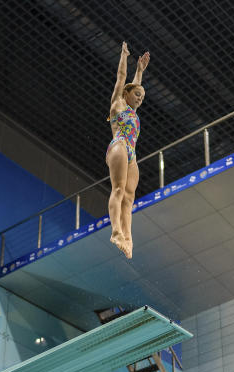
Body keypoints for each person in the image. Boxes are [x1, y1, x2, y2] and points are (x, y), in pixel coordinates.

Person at [106, 42, 149, 259]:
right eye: (137, 95)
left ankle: (128, 237)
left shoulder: (132, 109)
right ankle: (115, 232)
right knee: (119, 190)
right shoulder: (118, 104)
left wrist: (140, 70)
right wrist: (124, 56)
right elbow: (122, 78)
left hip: (131, 153)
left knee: (129, 197)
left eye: (142, 97)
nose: (140, 98)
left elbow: (136, 85)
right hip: (119, 146)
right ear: (127, 94)